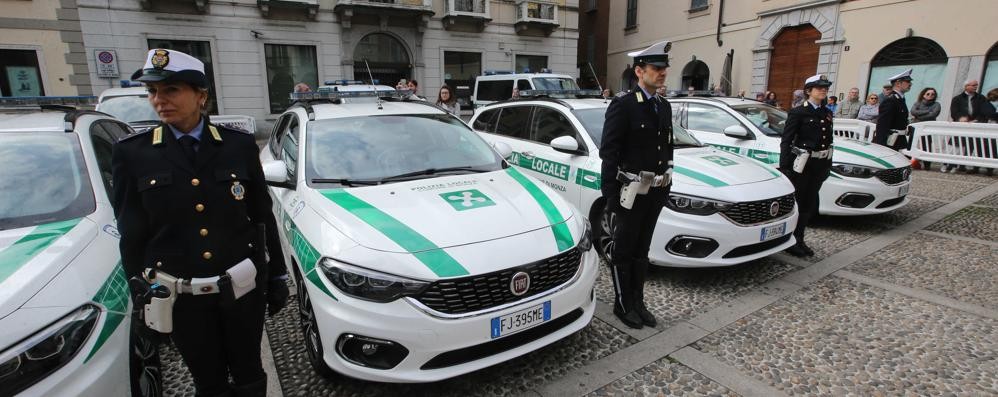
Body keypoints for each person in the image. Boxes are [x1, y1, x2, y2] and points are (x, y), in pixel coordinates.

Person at [113, 49, 289, 397]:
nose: (159, 101)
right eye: (152, 92)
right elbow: (132, 232)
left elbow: (261, 214)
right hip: (182, 297)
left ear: (201, 95)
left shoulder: (237, 146)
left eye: (171, 90)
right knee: (207, 380)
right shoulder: (133, 153)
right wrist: (141, 299)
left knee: (250, 374)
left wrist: (277, 275)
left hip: (240, 290)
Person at [600, 40, 674, 330]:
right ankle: (622, 302)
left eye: (664, 68)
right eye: (657, 68)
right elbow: (609, 152)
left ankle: (638, 301)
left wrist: (667, 183)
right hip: (629, 192)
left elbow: (666, 148)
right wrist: (610, 196)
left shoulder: (663, 106)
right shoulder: (624, 105)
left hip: (655, 191)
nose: (663, 73)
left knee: (643, 249)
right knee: (624, 249)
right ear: (639, 71)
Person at [780, 74, 834, 258]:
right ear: (809, 91)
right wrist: (785, 166)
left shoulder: (826, 112)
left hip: (819, 164)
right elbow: (786, 141)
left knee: (809, 203)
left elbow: (829, 141)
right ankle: (792, 241)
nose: (824, 90)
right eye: (819, 88)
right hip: (803, 164)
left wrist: (828, 164)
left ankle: (800, 238)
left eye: (825, 87)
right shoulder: (798, 112)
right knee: (800, 201)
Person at [873, 69, 913, 151]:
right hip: (891, 141)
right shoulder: (891, 100)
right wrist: (881, 146)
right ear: (898, 83)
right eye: (907, 81)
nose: (910, 84)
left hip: (899, 140)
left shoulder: (900, 99)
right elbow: (882, 125)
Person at [910, 87, 941, 170]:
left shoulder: (936, 104)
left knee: (926, 146)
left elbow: (933, 114)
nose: (930, 95)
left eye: (933, 94)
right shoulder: (918, 103)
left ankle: (927, 164)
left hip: (927, 128)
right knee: (911, 144)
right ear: (923, 95)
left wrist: (918, 115)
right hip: (916, 126)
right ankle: (909, 161)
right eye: (928, 94)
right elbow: (913, 112)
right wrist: (927, 111)